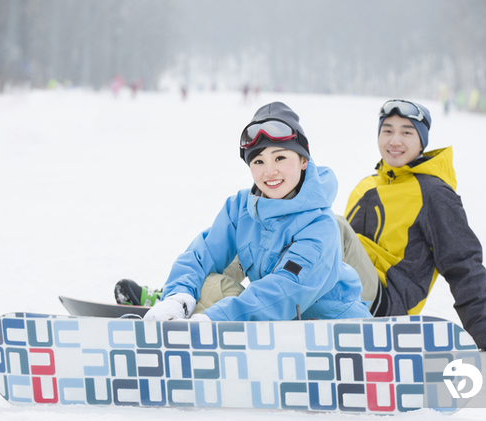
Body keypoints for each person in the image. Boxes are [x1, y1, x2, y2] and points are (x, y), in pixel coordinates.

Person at [116, 101, 372, 322]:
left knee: (219, 296)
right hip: (277, 325)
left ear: (304, 161)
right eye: (258, 161)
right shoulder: (241, 207)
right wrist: (179, 296)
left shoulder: (320, 224)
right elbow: (201, 254)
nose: (269, 171)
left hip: (336, 330)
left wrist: (215, 318)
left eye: (280, 158)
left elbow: (287, 289)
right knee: (206, 283)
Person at [344, 99, 486, 352]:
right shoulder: (365, 187)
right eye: (387, 130)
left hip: (387, 304)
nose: (394, 140)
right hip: (346, 292)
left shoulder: (433, 193)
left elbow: (462, 262)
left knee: (329, 227)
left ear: (422, 142)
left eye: (406, 132)